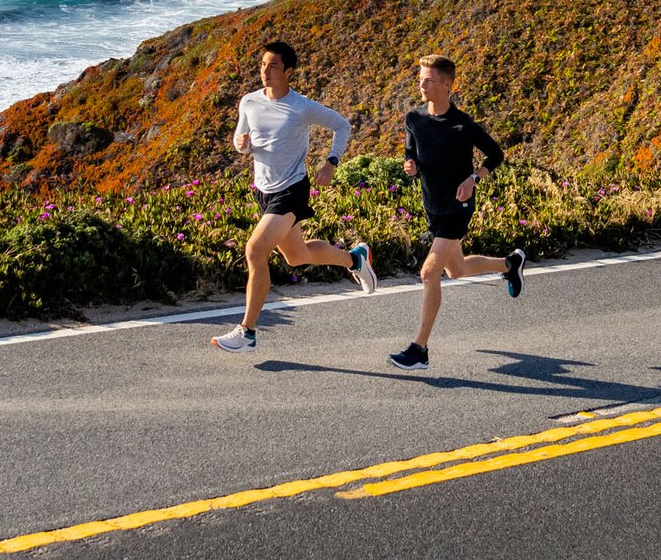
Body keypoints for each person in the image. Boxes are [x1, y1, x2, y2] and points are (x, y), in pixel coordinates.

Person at [211, 39, 378, 353]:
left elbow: (342, 125)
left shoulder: (301, 107)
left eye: (273, 65)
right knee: (297, 256)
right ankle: (355, 259)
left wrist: (331, 162)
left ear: (288, 71)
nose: (265, 70)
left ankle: (247, 332)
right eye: (263, 64)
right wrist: (242, 144)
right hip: (264, 189)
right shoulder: (249, 101)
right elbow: (240, 139)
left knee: (255, 250)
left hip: (291, 189)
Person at [387, 53, 524, 371]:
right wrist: (410, 163)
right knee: (456, 270)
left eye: (429, 79)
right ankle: (510, 263)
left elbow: (495, 154)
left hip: (458, 207)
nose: (422, 84)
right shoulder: (414, 118)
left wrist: (474, 179)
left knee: (429, 273)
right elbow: (411, 148)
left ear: (447, 84)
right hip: (432, 206)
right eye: (420, 78)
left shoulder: (463, 124)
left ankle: (419, 349)